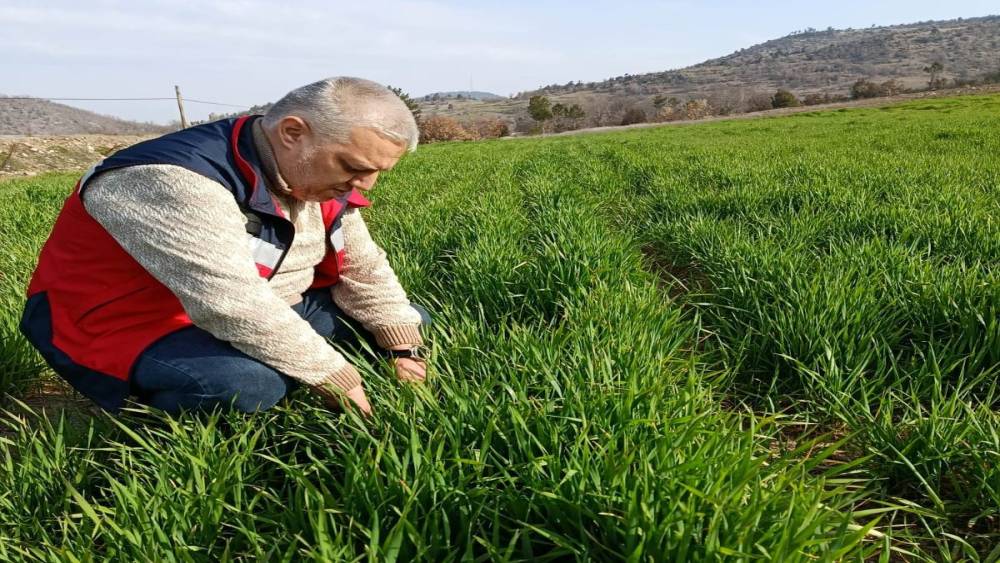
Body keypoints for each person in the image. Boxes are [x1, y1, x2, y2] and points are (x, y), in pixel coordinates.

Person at [20, 77, 429, 416]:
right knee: (246, 385)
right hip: (131, 324)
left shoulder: (314, 173)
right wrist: (338, 378)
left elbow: (363, 266)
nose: (365, 184)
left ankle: (283, 364)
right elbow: (230, 303)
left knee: (405, 318)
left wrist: (404, 346)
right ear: (292, 133)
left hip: (261, 301)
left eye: (375, 172)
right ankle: (146, 417)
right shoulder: (172, 180)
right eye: (354, 167)